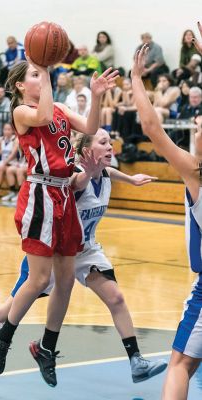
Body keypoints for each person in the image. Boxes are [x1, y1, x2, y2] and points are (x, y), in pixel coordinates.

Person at [0, 129, 167, 387]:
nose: (111, 147)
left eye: (110, 142)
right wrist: (89, 172)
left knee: (116, 298)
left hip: (85, 250)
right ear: (86, 151)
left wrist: (130, 179)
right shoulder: (70, 176)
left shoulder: (103, 173)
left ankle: (136, 361)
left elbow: (107, 173)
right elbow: (77, 183)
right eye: (103, 143)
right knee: (11, 309)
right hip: (53, 253)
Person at [0, 59, 119, 381]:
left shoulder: (58, 106)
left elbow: (88, 128)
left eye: (40, 73)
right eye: (34, 74)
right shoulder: (21, 111)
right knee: (40, 279)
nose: (40, 77)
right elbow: (42, 116)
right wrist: (45, 68)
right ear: (20, 85)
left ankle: (46, 346)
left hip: (64, 196)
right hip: (40, 194)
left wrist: (97, 95)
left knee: (67, 279)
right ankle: (4, 336)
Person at [131, 33, 202, 400]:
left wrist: (135, 80)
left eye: (199, 128)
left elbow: (151, 128)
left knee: (180, 365)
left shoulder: (195, 172)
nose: (196, 127)